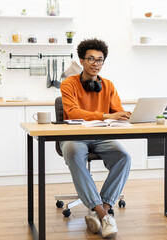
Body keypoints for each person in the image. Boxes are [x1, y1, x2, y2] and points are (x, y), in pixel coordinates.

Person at [60, 38, 132, 238]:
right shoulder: (68, 84)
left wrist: (125, 115)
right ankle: (104, 214)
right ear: (81, 61)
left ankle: (101, 211)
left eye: (100, 60)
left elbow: (117, 112)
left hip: (101, 136)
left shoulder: (108, 85)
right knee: (73, 153)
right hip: (74, 137)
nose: (95, 63)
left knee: (124, 157)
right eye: (91, 59)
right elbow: (73, 112)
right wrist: (107, 116)